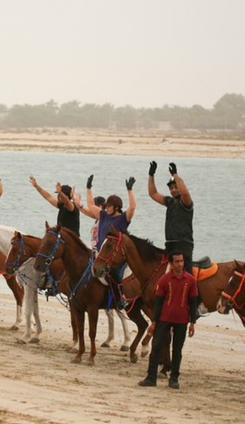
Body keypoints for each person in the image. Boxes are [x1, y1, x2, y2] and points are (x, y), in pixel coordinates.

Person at [138, 251, 199, 389]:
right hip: (164, 319)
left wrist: (193, 322)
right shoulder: (164, 280)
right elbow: (158, 303)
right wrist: (154, 322)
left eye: (182, 261)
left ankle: (174, 379)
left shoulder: (190, 280)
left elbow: (193, 302)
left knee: (177, 350)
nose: (180, 264)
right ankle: (151, 377)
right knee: (156, 346)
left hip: (182, 320)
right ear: (171, 263)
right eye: (177, 261)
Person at [147, 161, 193, 273]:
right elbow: (153, 194)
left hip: (184, 245)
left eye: (175, 187)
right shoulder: (169, 202)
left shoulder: (186, 203)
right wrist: (151, 175)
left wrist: (175, 175)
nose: (173, 190)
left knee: (186, 275)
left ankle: (193, 290)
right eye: (171, 188)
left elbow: (185, 193)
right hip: (170, 244)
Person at [85, 174, 136, 251]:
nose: (106, 208)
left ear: (116, 208)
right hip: (101, 255)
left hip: (115, 258)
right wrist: (89, 188)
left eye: (109, 206)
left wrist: (130, 190)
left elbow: (132, 207)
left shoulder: (123, 218)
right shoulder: (103, 215)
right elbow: (90, 205)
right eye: (106, 206)